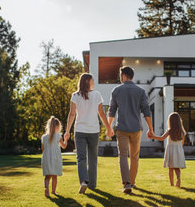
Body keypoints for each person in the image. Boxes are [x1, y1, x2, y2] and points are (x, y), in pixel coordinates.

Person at [107, 66, 154, 194]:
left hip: (122, 128)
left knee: (122, 155)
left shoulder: (116, 90)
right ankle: (132, 182)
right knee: (134, 156)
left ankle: (126, 184)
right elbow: (146, 111)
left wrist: (108, 127)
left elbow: (111, 110)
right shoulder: (140, 91)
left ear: (124, 75)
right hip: (136, 129)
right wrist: (150, 128)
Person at [65, 73, 112, 194]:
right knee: (92, 159)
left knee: (81, 158)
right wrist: (108, 128)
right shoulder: (97, 95)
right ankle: (92, 185)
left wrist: (67, 131)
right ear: (87, 82)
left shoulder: (75, 96)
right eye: (93, 80)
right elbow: (101, 114)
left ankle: (83, 182)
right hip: (93, 131)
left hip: (79, 130)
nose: (94, 82)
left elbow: (71, 114)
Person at [150, 112, 186, 187]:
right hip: (179, 151)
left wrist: (153, 137)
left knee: (171, 168)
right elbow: (182, 142)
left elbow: (161, 138)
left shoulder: (170, 131)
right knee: (177, 167)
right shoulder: (182, 132)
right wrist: (179, 149)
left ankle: (172, 184)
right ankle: (178, 179)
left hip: (171, 151)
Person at [41, 116, 67, 198]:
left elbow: (43, 149)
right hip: (55, 158)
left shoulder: (44, 137)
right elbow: (64, 146)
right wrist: (66, 139)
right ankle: (53, 191)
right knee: (54, 176)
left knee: (47, 176)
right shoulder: (58, 136)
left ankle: (46, 188)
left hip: (46, 158)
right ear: (57, 127)